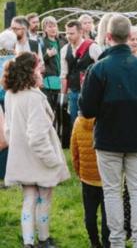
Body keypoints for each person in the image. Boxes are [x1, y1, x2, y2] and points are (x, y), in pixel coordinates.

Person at [79, 14, 137, 248]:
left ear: (108, 37)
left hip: (108, 139)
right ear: (128, 37)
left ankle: (116, 242)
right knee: (136, 190)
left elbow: (86, 109)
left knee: (113, 192)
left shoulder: (99, 69)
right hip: (136, 137)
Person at [2, 52, 70, 248]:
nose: (41, 68)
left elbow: (8, 128)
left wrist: (16, 147)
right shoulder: (34, 98)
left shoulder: (10, 94)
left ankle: (28, 242)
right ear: (29, 70)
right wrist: (53, 161)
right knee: (44, 199)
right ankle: (44, 239)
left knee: (29, 198)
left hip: (22, 156)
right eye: (38, 65)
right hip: (39, 158)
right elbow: (38, 136)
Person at [70, 112, 110, 248]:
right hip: (107, 177)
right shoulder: (108, 119)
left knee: (90, 214)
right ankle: (107, 242)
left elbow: (74, 150)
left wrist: (79, 171)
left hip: (87, 178)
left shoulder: (78, 122)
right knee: (108, 214)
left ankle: (94, 242)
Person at [60, 20, 102, 126]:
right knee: (75, 124)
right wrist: (63, 96)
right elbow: (64, 75)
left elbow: (102, 69)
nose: (68, 36)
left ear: (80, 32)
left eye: (72, 33)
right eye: (67, 33)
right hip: (74, 93)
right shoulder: (64, 50)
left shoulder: (93, 47)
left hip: (90, 92)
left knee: (92, 122)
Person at [41, 16, 67, 110]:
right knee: (51, 110)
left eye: (54, 26)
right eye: (50, 26)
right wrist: (47, 55)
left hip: (63, 79)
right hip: (49, 82)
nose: (53, 29)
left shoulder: (63, 40)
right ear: (44, 29)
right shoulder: (41, 43)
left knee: (63, 109)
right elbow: (38, 62)